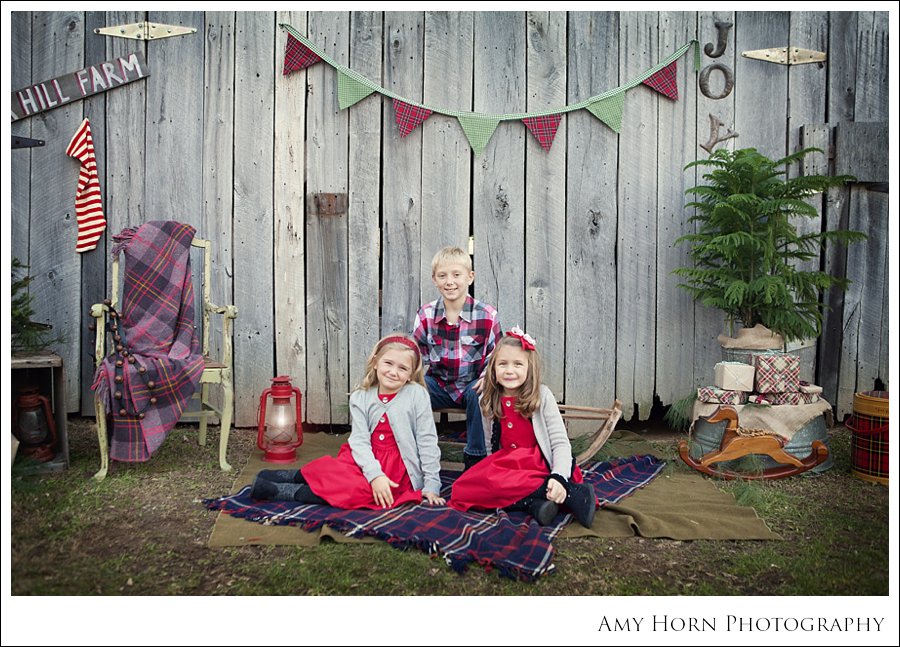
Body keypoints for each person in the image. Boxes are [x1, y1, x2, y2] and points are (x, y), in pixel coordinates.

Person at [250, 334, 445, 509]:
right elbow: (360, 441)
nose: (394, 372)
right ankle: (293, 476)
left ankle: (282, 491)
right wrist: (375, 474)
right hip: (364, 458)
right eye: (388, 363)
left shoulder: (417, 395)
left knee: (358, 492)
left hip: (399, 470)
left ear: (411, 374)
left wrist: (432, 485)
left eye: (403, 368)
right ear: (376, 362)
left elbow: (427, 440)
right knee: (335, 471)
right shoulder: (361, 396)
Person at [449, 327, 597, 528]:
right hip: (506, 464)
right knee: (461, 490)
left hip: (536, 464)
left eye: (518, 364)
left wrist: (559, 476)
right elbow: (488, 444)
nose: (509, 370)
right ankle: (535, 504)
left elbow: (560, 443)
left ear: (530, 368)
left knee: (504, 485)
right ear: (493, 368)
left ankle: (570, 493)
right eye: (503, 364)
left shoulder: (542, 396)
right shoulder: (489, 398)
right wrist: (485, 474)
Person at [412, 246, 501, 470]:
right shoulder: (426, 315)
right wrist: (412, 380)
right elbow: (415, 355)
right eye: (442, 276)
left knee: (480, 395)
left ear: (470, 277)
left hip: (473, 383)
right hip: (439, 383)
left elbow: (496, 355)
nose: (449, 282)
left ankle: (476, 460)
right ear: (434, 280)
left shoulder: (487, 315)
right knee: (411, 393)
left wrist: (487, 379)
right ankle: (410, 454)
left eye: (456, 275)